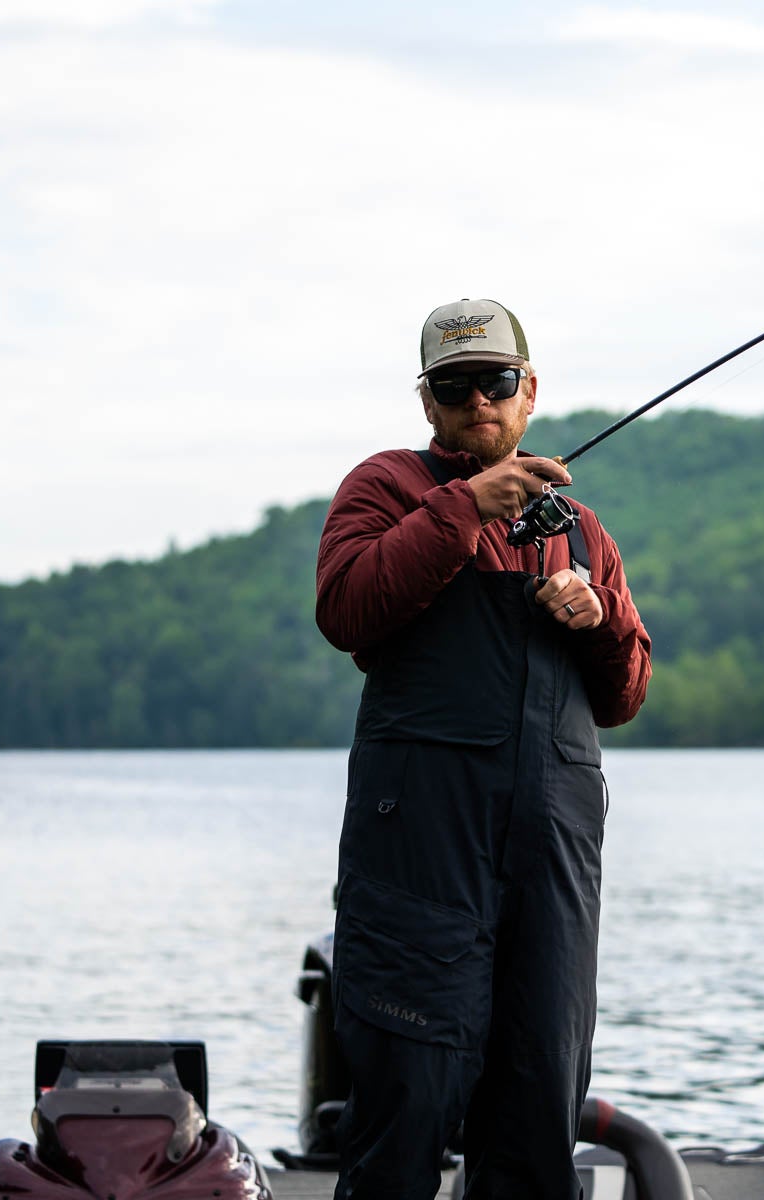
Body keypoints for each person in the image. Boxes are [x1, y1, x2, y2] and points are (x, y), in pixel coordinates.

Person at [314, 298, 651, 1200]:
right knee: (404, 1116)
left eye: (494, 383)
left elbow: (623, 696)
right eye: (454, 387)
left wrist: (600, 615)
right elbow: (346, 609)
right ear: (428, 403)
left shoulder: (582, 532)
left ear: (528, 391)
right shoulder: (385, 489)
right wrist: (463, 506)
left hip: (551, 866)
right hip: (421, 861)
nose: (477, 404)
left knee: (539, 1121)